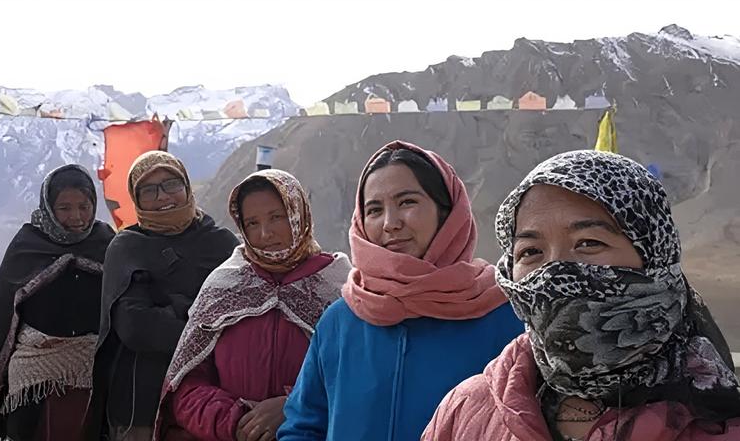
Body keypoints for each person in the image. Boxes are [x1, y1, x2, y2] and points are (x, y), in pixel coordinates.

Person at [422, 150, 740, 441]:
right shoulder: (466, 413)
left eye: (588, 243)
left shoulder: (720, 422)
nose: (555, 271)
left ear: (656, 257)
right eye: (531, 251)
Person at [278, 140, 524, 441]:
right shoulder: (341, 321)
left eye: (407, 202)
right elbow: (303, 425)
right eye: (374, 209)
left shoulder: (504, 317)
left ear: (447, 213)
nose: (390, 223)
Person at [153, 169, 352, 441]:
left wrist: (291, 406)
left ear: (298, 213)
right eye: (252, 223)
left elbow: (356, 379)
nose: (265, 233)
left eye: (276, 217)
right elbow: (185, 385)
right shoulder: (223, 286)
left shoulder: (338, 286)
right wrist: (238, 421)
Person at [91, 151, 239, 441]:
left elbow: (238, 315)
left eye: (171, 184)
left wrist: (169, 306)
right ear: (136, 198)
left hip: (215, 401)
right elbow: (137, 329)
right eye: (149, 190)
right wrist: (200, 314)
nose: (162, 197)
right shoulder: (127, 247)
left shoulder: (220, 243)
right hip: (143, 404)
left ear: (187, 187)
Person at [0, 164, 115, 441]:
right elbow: (5, 318)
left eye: (84, 206)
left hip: (93, 371)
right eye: (64, 208)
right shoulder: (26, 246)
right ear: (49, 207)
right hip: (33, 374)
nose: (76, 217)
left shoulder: (106, 241)